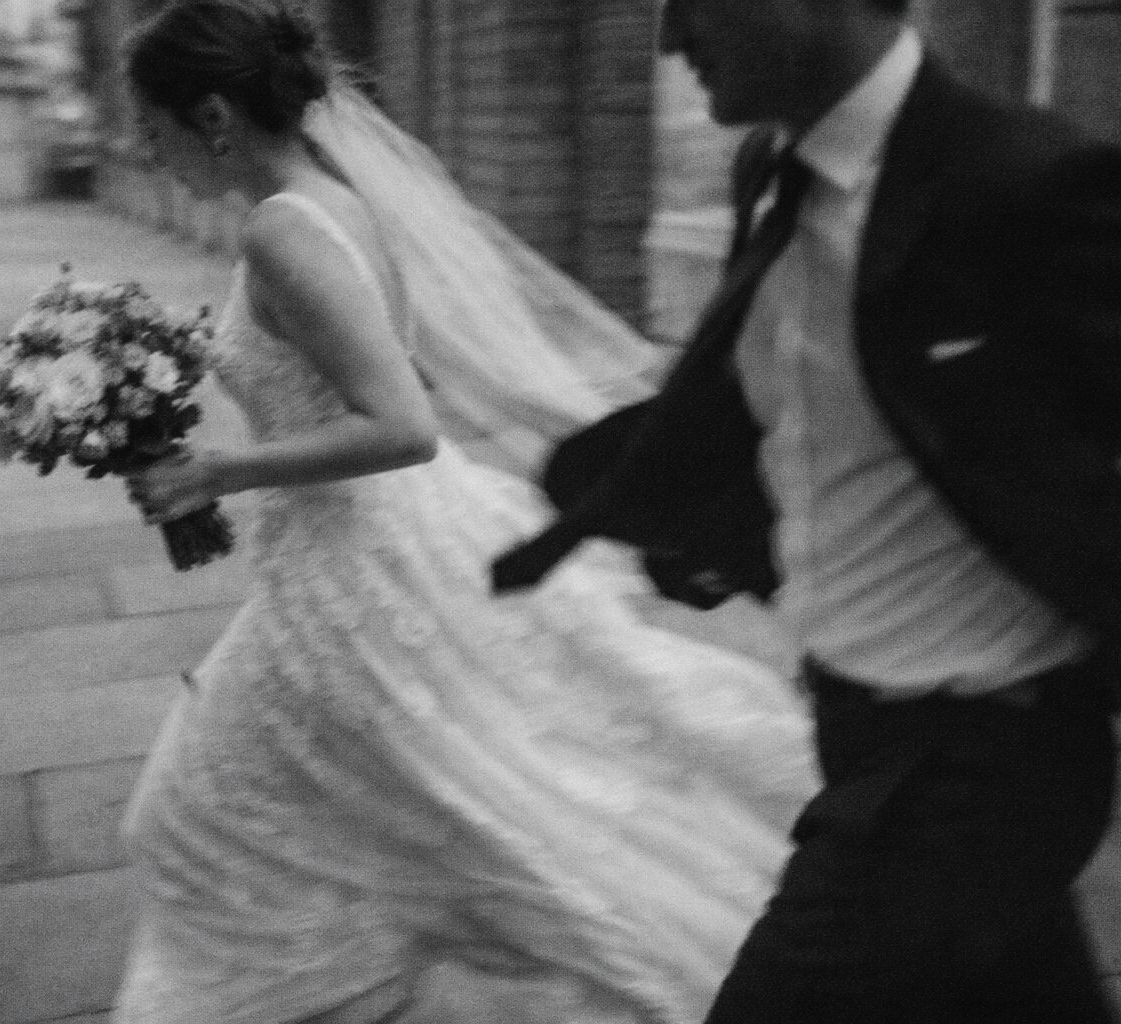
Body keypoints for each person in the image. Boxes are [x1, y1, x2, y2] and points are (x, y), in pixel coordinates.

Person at [496, 1, 1121, 1021]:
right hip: (859, 728)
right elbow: (804, 414)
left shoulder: (1027, 185)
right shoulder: (774, 175)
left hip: (978, 772)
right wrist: (683, 519)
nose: (669, 38)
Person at [113, 2, 819, 1022]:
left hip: (349, 577)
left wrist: (214, 472)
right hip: (371, 553)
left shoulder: (282, 230)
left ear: (215, 116)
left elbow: (403, 423)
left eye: (154, 126)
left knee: (192, 818)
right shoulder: (331, 196)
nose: (150, 150)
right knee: (401, 814)